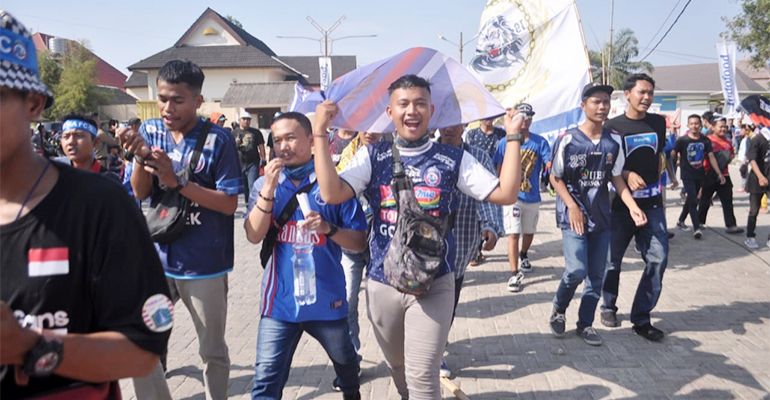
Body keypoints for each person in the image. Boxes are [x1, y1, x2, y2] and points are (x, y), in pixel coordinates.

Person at [311, 74, 524, 400]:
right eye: (404, 104)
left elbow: (506, 193)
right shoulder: (374, 156)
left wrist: (512, 139)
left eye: (420, 103)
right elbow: (331, 192)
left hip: (436, 281)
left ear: (432, 110)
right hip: (383, 281)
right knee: (398, 367)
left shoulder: (453, 159)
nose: (412, 110)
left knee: (423, 376)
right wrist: (319, 133)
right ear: (390, 112)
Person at [0, 10, 172, 398]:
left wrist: (30, 345)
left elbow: (144, 350)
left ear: (33, 104)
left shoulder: (98, 204)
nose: (71, 141)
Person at [120, 59, 242, 400]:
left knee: (211, 351)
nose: (167, 107)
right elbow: (141, 192)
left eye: (177, 100)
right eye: (162, 98)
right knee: (143, 341)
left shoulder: (219, 140)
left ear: (198, 101)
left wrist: (177, 181)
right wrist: (142, 157)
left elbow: (230, 204)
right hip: (157, 263)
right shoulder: (150, 131)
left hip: (204, 265)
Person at [244, 112, 366, 400]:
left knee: (347, 368)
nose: (283, 145)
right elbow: (253, 235)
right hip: (279, 304)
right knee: (265, 381)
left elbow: (359, 243)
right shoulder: (264, 185)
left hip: (327, 300)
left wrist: (328, 227)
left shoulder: (333, 185)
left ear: (311, 141)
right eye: (277, 139)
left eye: (291, 137)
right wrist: (269, 190)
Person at [549, 83, 647, 346]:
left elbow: (616, 178)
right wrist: (571, 206)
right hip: (573, 217)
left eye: (606, 102)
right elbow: (554, 177)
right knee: (576, 270)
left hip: (602, 217)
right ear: (583, 106)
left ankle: (585, 324)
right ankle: (559, 309)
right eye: (596, 102)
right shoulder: (568, 139)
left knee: (596, 276)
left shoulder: (613, 141)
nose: (602, 107)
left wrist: (632, 207)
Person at [600, 73, 669, 342]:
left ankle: (641, 317)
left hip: (651, 205)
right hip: (618, 206)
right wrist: (626, 173)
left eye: (650, 93)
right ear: (627, 94)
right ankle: (608, 306)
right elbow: (607, 165)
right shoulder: (612, 127)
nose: (647, 97)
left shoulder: (658, 123)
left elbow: (657, 159)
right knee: (611, 262)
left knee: (658, 257)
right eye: (642, 92)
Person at [436, 123, 502, 378]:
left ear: (464, 124)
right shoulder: (426, 152)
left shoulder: (478, 157)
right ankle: (430, 349)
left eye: (456, 121)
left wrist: (490, 227)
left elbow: (487, 196)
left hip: (462, 244)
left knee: (449, 304)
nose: (449, 127)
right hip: (426, 246)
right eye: (445, 119)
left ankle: (437, 347)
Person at [492, 103, 551, 292]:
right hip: (513, 198)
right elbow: (498, 167)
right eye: (521, 116)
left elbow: (549, 163)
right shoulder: (505, 142)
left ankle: (524, 254)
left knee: (529, 232)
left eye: (528, 116)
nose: (525, 120)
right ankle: (513, 273)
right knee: (513, 234)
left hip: (532, 196)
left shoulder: (540, 142)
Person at [335, 131, 383, 364]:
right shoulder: (343, 153)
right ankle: (351, 357)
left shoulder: (394, 154)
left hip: (383, 246)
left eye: (376, 125)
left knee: (382, 309)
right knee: (347, 301)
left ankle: (398, 356)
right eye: (365, 125)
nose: (371, 132)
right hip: (349, 244)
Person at [672, 114, 724, 239]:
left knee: (691, 198)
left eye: (696, 123)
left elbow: (711, 156)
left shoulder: (705, 140)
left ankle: (680, 221)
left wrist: (719, 173)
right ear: (688, 125)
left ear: (700, 125)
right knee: (694, 200)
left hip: (700, 174)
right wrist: (673, 171)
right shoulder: (682, 140)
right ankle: (696, 228)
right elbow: (673, 154)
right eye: (692, 124)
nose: (694, 126)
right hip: (687, 174)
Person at [698, 116, 743, 234]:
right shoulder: (706, 140)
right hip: (709, 174)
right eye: (720, 126)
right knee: (705, 200)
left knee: (727, 201)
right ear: (713, 127)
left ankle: (731, 225)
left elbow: (731, 155)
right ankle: (699, 222)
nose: (723, 129)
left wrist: (729, 157)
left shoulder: (728, 142)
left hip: (725, 175)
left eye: (725, 127)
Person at [54, 113, 121, 183]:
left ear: (95, 142)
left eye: (79, 135)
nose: (71, 142)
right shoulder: (55, 179)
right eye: (66, 136)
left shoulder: (109, 181)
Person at [744, 127, 770, 249]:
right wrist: (760, 176)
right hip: (757, 180)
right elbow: (752, 160)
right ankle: (750, 236)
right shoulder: (758, 139)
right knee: (754, 210)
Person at [234, 111, 266, 202]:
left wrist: (263, 159)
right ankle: (248, 204)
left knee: (252, 185)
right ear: (239, 120)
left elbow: (261, 146)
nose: (246, 121)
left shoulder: (256, 132)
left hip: (253, 163)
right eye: (244, 119)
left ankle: (253, 205)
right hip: (239, 163)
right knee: (244, 187)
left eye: (248, 119)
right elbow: (230, 148)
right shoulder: (234, 133)